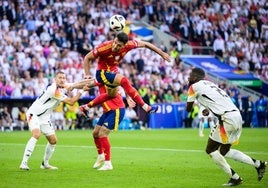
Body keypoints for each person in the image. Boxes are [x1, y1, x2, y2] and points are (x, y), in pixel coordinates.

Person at [186, 68, 267, 186]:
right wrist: (208, 109)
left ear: (195, 77)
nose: (188, 78)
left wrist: (195, 106)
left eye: (190, 75)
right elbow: (217, 99)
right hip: (236, 115)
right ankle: (259, 164)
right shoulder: (211, 84)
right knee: (224, 151)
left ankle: (235, 177)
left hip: (226, 119)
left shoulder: (193, 87)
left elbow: (188, 108)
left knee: (210, 149)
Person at [81, 32, 171, 114]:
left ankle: (86, 107)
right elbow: (87, 57)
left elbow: (146, 44)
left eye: (119, 45)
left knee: (111, 95)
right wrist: (87, 75)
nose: (115, 46)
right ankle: (146, 107)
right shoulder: (104, 47)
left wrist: (161, 53)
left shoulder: (129, 45)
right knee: (124, 80)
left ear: (124, 45)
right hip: (102, 73)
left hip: (112, 71)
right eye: (115, 42)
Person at [19, 71, 88, 171]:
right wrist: (82, 91)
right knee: (36, 134)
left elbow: (75, 84)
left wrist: (86, 82)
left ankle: (45, 164)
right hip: (34, 114)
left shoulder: (61, 87)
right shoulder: (53, 90)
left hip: (45, 117)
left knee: (53, 141)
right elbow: (71, 102)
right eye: (60, 77)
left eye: (64, 78)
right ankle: (23, 163)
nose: (62, 79)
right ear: (55, 79)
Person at [82, 85, 135, 171]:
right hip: (107, 111)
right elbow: (88, 83)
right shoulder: (99, 78)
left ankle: (108, 163)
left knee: (102, 133)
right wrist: (71, 86)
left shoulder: (110, 77)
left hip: (116, 108)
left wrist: (128, 97)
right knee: (95, 133)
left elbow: (125, 84)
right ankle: (100, 156)